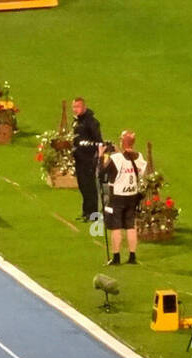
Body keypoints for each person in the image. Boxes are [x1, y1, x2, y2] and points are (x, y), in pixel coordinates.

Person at [99, 130, 147, 265]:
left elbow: (101, 172)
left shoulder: (115, 158)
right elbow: (141, 171)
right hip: (132, 195)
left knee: (116, 227)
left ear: (122, 141)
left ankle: (116, 257)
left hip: (117, 196)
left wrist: (101, 155)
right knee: (131, 226)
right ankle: (132, 256)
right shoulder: (139, 157)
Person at [71, 97, 103, 221]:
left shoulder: (91, 122)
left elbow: (98, 142)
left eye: (78, 107)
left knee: (90, 186)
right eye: (74, 107)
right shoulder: (76, 121)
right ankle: (86, 211)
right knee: (82, 186)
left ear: (84, 107)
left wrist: (83, 145)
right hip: (79, 159)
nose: (75, 109)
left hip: (88, 159)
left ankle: (93, 214)